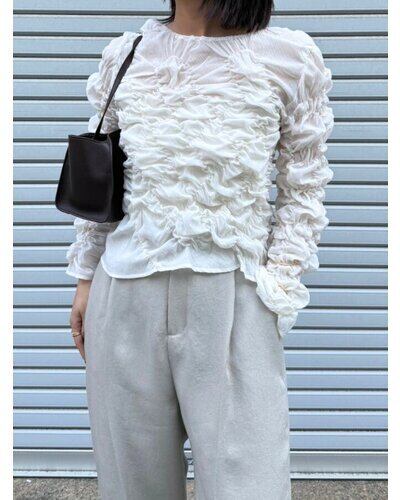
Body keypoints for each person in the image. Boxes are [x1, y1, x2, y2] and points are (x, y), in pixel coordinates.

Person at [66, 0, 334, 498]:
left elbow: (304, 187)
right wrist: (85, 279)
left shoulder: (289, 57)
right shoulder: (128, 54)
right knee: (132, 486)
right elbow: (104, 179)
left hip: (233, 295)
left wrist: (277, 288)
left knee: (250, 484)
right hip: (123, 296)